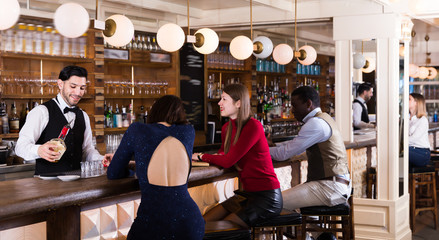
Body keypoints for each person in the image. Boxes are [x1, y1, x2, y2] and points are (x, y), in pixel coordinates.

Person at [104, 95, 204, 240]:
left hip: (152, 222)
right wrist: (138, 165)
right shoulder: (188, 131)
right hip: (189, 222)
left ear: (155, 110)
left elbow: (113, 173)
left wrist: (131, 170)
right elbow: (165, 158)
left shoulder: (137, 129)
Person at [192, 83, 282, 228]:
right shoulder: (227, 128)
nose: (219, 103)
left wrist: (202, 156)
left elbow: (227, 161)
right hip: (245, 194)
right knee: (201, 223)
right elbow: (223, 154)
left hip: (266, 198)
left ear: (238, 103)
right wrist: (213, 157)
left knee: (223, 228)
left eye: (224, 99)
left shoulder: (253, 126)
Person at [269, 86, 351, 211]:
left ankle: (305, 231)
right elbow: (294, 145)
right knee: (295, 207)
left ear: (308, 104)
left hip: (330, 187)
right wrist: (273, 146)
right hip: (336, 184)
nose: (292, 110)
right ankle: (316, 231)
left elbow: (283, 154)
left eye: (295, 106)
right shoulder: (324, 118)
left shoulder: (315, 123)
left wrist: (260, 149)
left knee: (272, 203)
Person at [15, 66, 102, 175]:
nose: (78, 92)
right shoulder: (41, 112)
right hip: (46, 184)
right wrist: (39, 150)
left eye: (82, 88)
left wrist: (101, 159)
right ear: (60, 84)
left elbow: (87, 150)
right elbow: (20, 147)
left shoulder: (83, 116)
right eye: (73, 86)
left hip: (77, 184)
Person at [408, 93, 431, 168]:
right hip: (410, 149)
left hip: (422, 153)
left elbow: (414, 138)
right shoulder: (407, 119)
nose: (406, 101)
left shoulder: (422, 120)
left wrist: (398, 142)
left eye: (409, 99)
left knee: (400, 152)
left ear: (416, 103)